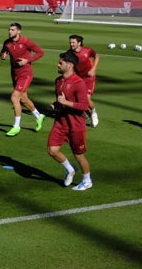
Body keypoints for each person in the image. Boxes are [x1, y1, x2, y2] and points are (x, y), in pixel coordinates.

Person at [47, 51, 93, 191]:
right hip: (60, 123)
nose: (58, 64)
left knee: (79, 156)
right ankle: (70, 168)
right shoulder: (58, 81)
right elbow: (60, 100)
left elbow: (84, 106)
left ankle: (87, 181)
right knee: (52, 150)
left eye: (61, 63)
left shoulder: (79, 83)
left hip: (76, 126)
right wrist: (56, 105)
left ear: (70, 65)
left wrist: (66, 103)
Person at [0, 22, 46, 137]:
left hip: (25, 74)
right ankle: (39, 116)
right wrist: (2, 55)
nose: (9, 31)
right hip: (14, 73)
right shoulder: (7, 43)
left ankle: (16, 126)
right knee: (24, 99)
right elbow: (2, 53)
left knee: (14, 97)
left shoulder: (26, 42)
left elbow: (40, 52)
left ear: (19, 31)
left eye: (12, 30)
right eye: (9, 29)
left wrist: (27, 60)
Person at [68, 35, 100, 128]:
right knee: (78, 99)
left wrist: (93, 69)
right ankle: (88, 114)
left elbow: (97, 56)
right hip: (79, 78)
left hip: (89, 78)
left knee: (86, 98)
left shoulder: (88, 50)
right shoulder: (70, 53)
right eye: (70, 42)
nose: (71, 44)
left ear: (79, 43)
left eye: (73, 42)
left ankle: (93, 112)